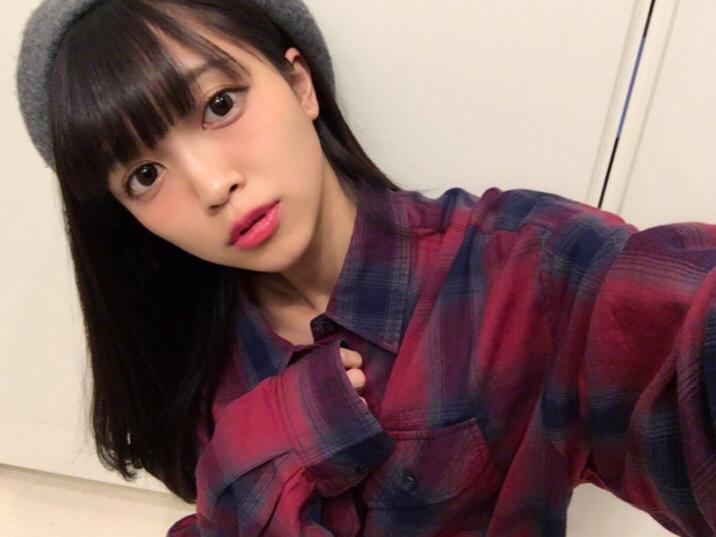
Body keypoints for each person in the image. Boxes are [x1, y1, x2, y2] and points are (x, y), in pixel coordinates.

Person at [14, 1, 716, 536]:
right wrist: (255, 465)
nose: (211, 184)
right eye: (143, 174)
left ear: (299, 83)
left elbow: (668, 328)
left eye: (219, 105)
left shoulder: (523, 267)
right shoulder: (188, 365)